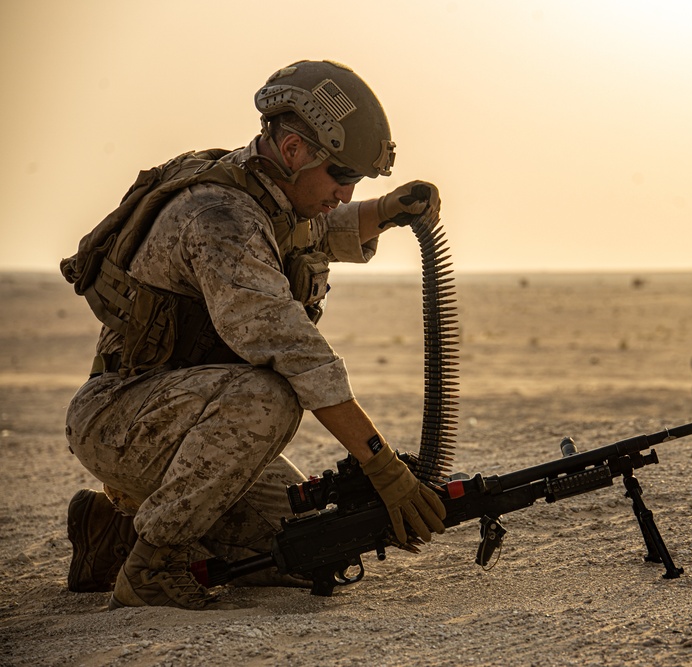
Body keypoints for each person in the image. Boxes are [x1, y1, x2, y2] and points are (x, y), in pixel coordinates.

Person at [62, 60, 447, 611]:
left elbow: (314, 228)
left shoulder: (271, 194)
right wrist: (382, 467)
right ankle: (151, 565)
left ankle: (112, 532)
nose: (345, 192)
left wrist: (386, 210)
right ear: (293, 150)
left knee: (297, 543)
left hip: (186, 421)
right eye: (341, 176)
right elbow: (299, 357)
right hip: (124, 417)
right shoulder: (219, 216)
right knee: (269, 400)